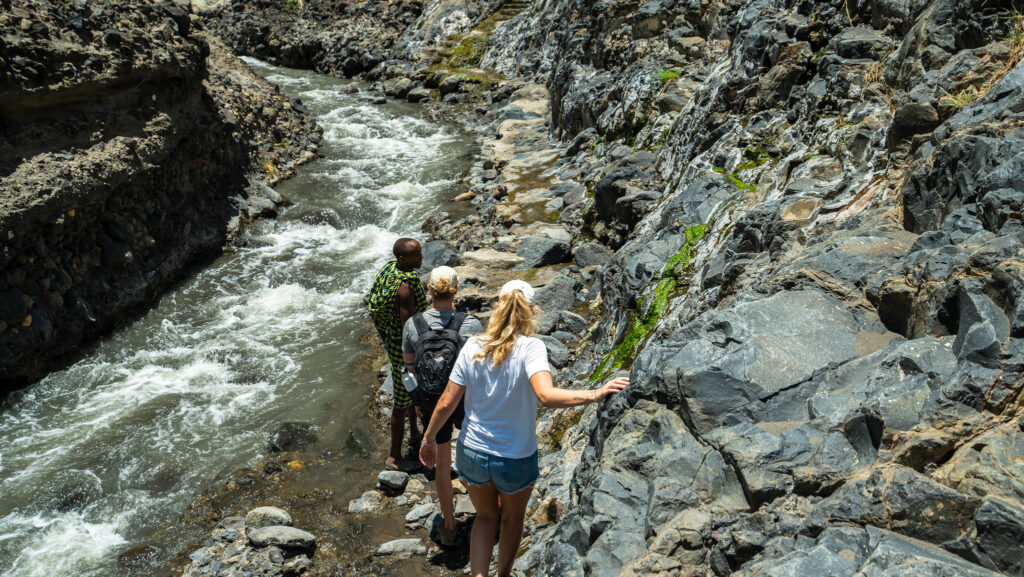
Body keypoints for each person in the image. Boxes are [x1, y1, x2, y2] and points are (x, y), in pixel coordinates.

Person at [419, 280, 629, 577]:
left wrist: (428, 438)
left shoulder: (473, 346)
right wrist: (594, 394)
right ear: (531, 311)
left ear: (497, 308)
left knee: (485, 517)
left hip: (473, 452)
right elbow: (546, 395)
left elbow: (445, 404)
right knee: (511, 519)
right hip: (514, 457)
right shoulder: (531, 347)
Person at [402, 266, 483, 546]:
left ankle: (449, 525)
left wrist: (418, 405)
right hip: (463, 398)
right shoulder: (470, 324)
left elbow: (409, 367)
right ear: (456, 289)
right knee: (473, 456)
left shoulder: (413, 325)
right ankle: (486, 512)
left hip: (431, 398)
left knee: (442, 465)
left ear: (429, 290)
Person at [367, 237, 427, 472]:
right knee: (401, 402)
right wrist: (410, 361)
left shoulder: (389, 270)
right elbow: (407, 328)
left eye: (421, 252)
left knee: (410, 391)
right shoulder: (405, 288)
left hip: (391, 340)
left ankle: (414, 432)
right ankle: (394, 457)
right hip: (404, 349)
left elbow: (372, 307)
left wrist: (384, 339)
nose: (422, 257)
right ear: (404, 258)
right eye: (417, 254)